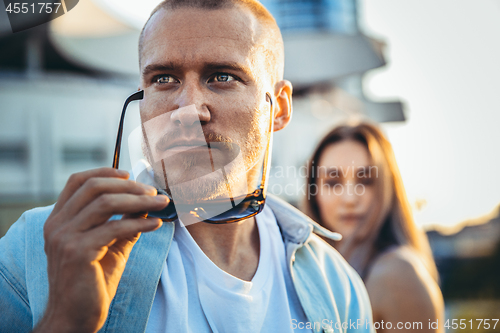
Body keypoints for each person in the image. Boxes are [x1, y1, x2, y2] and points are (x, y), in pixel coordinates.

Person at [0, 1, 375, 332]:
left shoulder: (336, 285)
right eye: (163, 79)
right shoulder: (35, 250)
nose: (187, 109)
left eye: (222, 76)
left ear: (278, 107)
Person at [302, 121, 445, 332]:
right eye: (333, 182)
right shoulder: (314, 267)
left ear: (387, 187)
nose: (350, 198)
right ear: (314, 193)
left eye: (366, 181)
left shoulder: (397, 274)